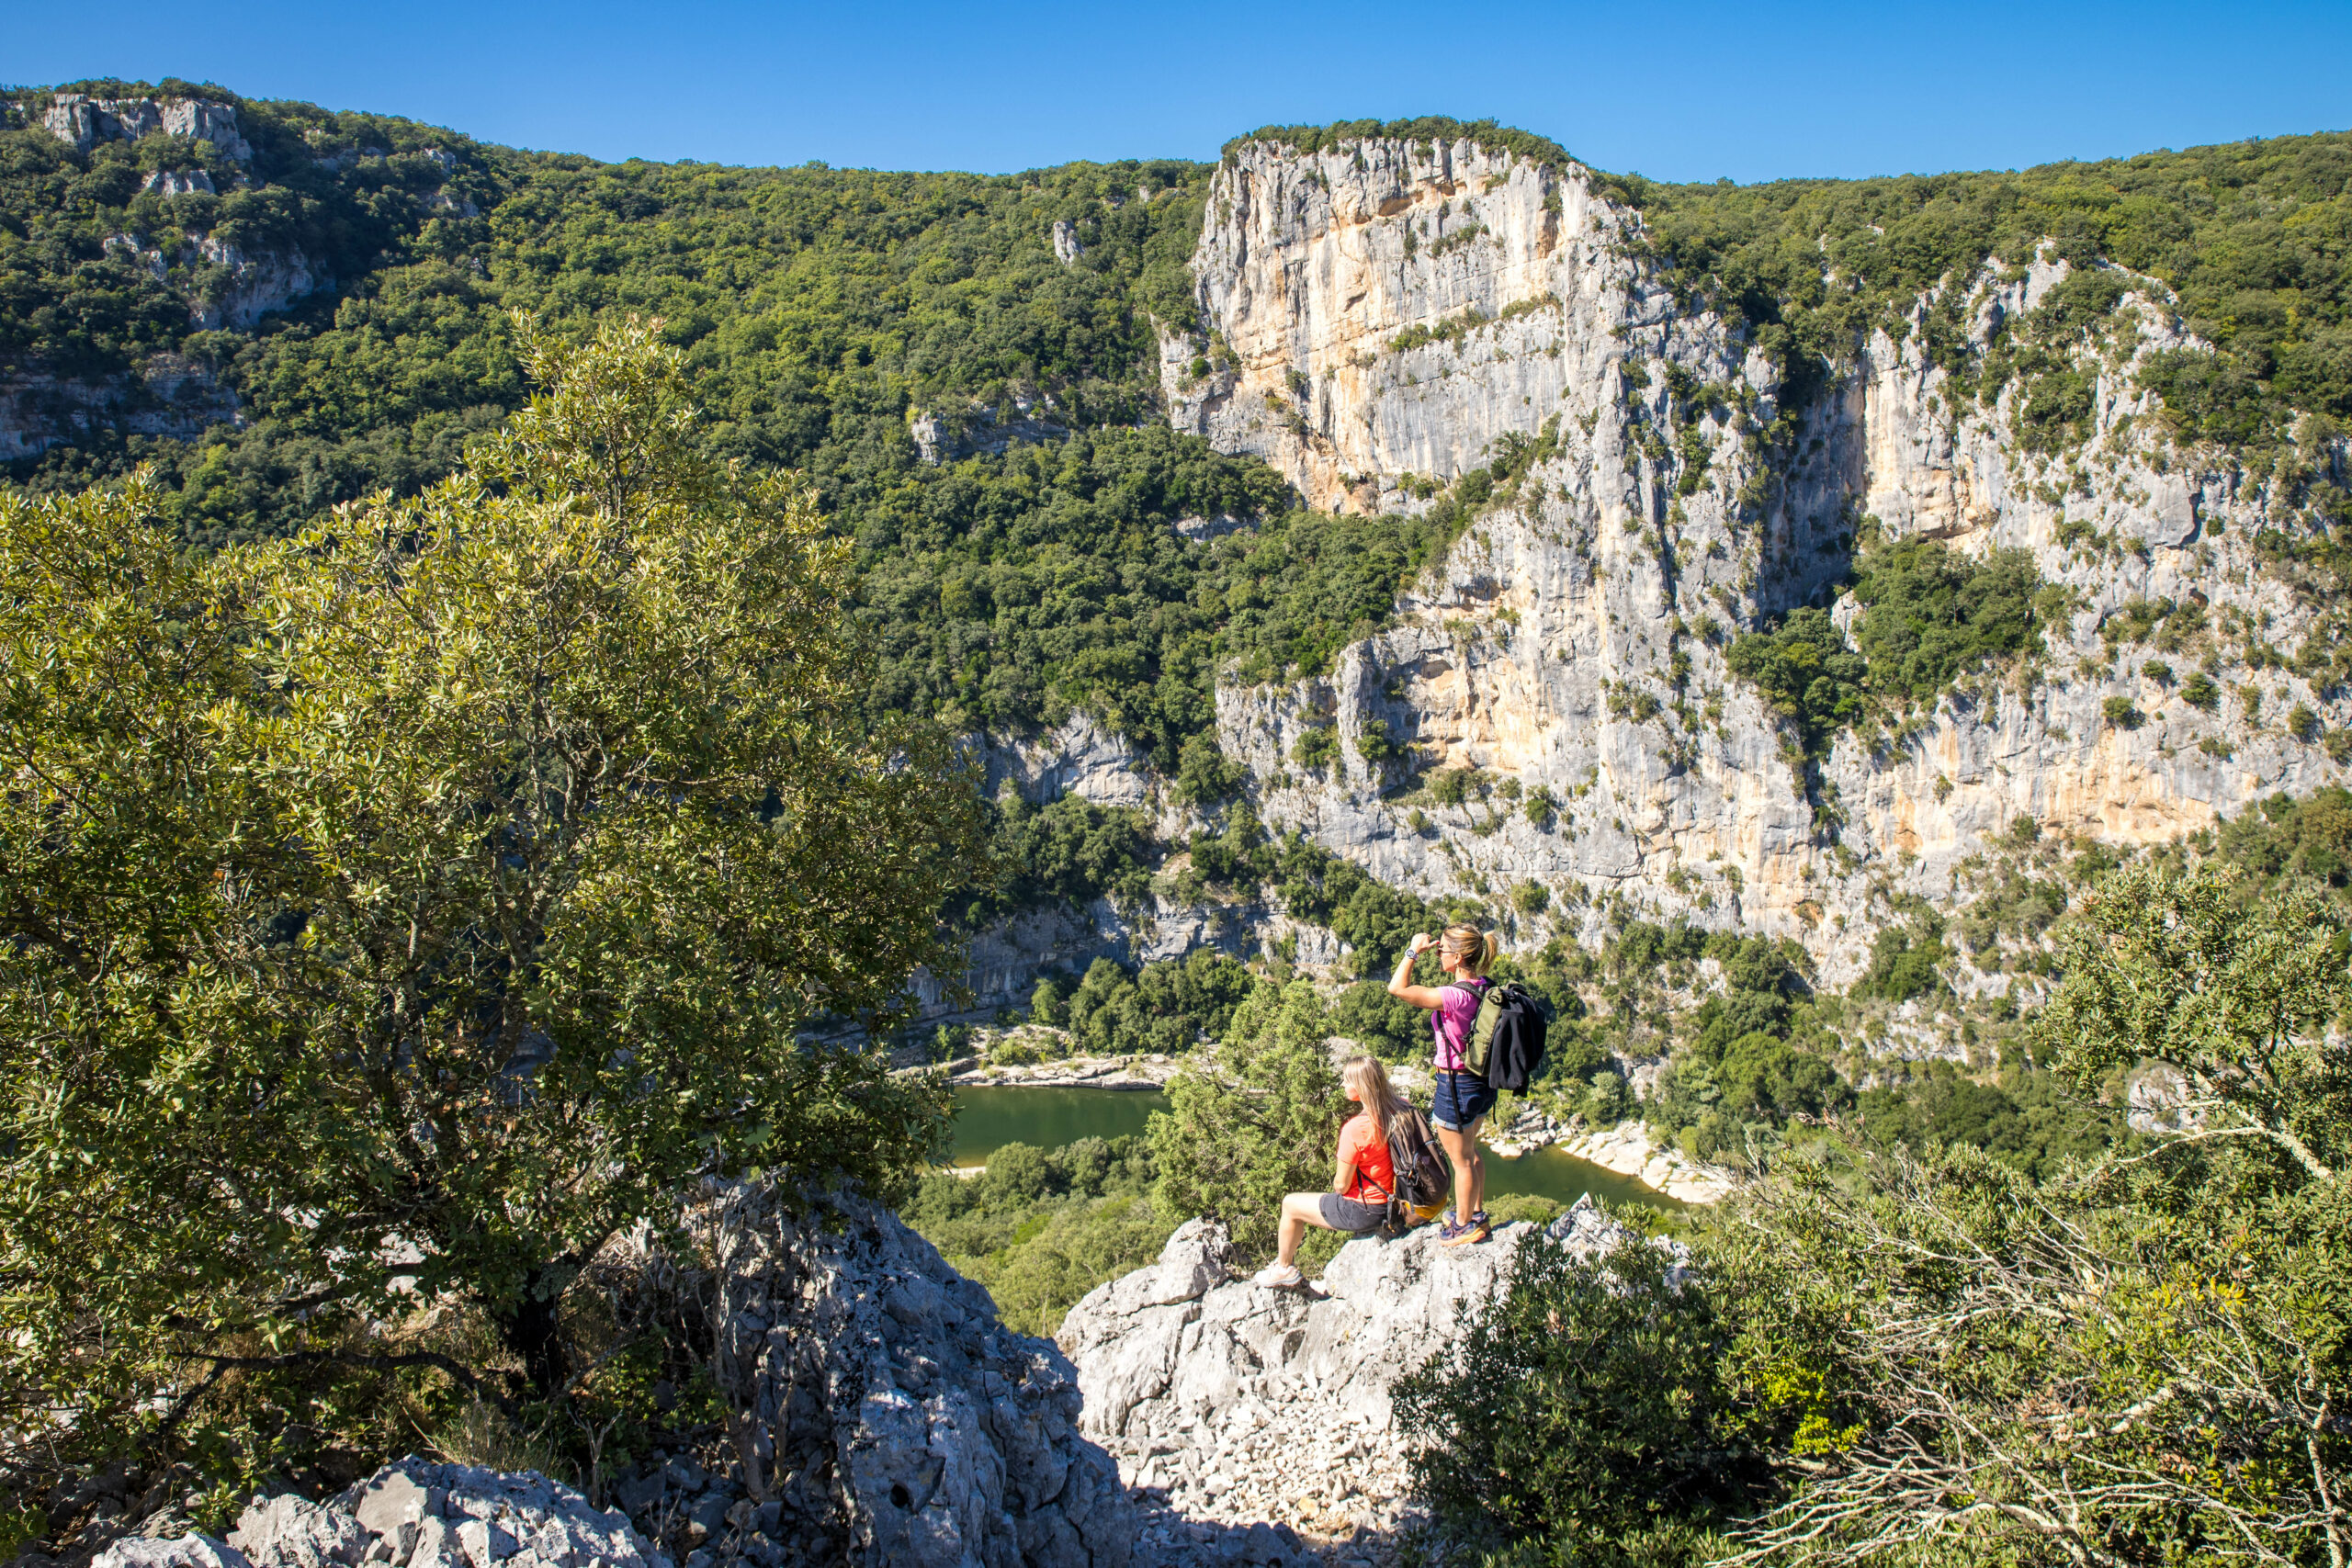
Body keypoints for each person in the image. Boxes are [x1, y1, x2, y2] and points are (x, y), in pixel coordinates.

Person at [1250, 1055, 1410, 1289]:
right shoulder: (1401, 1109)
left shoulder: (1355, 1128)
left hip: (1365, 1210)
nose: (1343, 1085)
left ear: (1360, 1086)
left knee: (1290, 1204)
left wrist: (1341, 1185)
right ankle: (1284, 1266)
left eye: (1347, 1080)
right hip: (1396, 1204)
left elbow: (1341, 1185)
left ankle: (1283, 1267)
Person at [1386, 924, 1498, 1246]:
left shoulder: (1454, 996)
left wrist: (1413, 951)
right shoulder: (1483, 986)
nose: (1438, 953)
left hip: (1456, 1085)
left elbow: (1398, 988)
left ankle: (1464, 1225)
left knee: (1460, 1160)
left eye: (1443, 950)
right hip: (1480, 1082)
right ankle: (1474, 1212)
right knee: (1471, 1152)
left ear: (1459, 956)